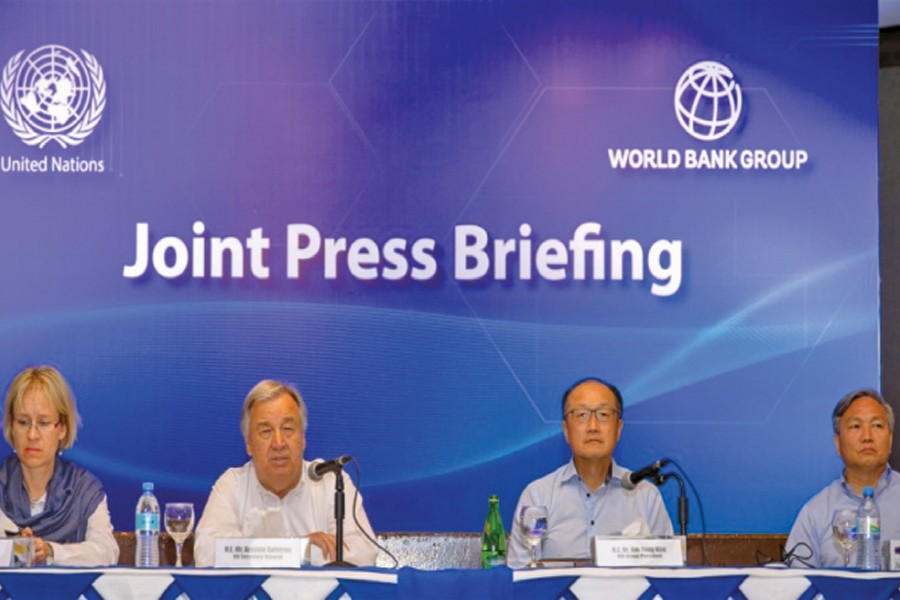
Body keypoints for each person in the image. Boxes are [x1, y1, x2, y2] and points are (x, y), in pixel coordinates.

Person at [194, 380, 378, 567]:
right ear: (249, 444)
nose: (279, 443)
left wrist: (263, 553)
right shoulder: (232, 485)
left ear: (303, 438)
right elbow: (207, 554)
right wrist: (298, 549)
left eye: (288, 429)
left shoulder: (331, 481)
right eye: (266, 431)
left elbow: (363, 553)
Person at [507, 377, 673, 568]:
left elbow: (666, 574)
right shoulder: (537, 496)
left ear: (618, 429)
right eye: (581, 415)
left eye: (603, 414)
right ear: (566, 430)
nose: (593, 426)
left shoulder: (646, 496)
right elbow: (518, 578)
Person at [0, 366, 118, 566]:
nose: (32, 435)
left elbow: (107, 552)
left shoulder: (84, 489)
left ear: (62, 428)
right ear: (11, 425)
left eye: (44, 423)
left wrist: (50, 551)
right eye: (23, 422)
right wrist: (16, 549)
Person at [787, 388, 900, 568]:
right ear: (838, 443)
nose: (867, 437)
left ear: (891, 440)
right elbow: (795, 588)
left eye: (877, 425)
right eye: (856, 426)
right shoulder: (815, 513)